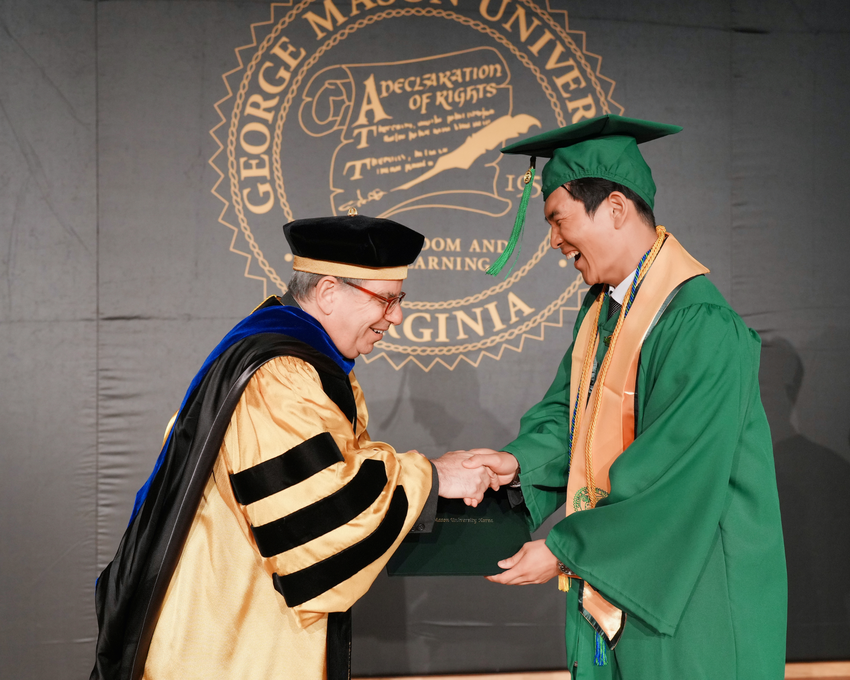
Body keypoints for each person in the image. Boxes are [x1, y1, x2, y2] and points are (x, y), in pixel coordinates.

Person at [90, 213, 494, 680]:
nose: (397, 316)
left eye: (398, 299)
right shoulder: (280, 376)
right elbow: (321, 522)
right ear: (326, 292)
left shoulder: (285, 355)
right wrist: (434, 476)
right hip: (230, 645)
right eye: (386, 300)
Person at [463, 115, 787, 678]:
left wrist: (566, 550)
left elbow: (674, 471)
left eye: (559, 220)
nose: (554, 241)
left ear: (614, 209)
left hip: (695, 585)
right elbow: (570, 420)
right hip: (628, 573)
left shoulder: (699, 324)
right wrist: (517, 463)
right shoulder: (603, 312)